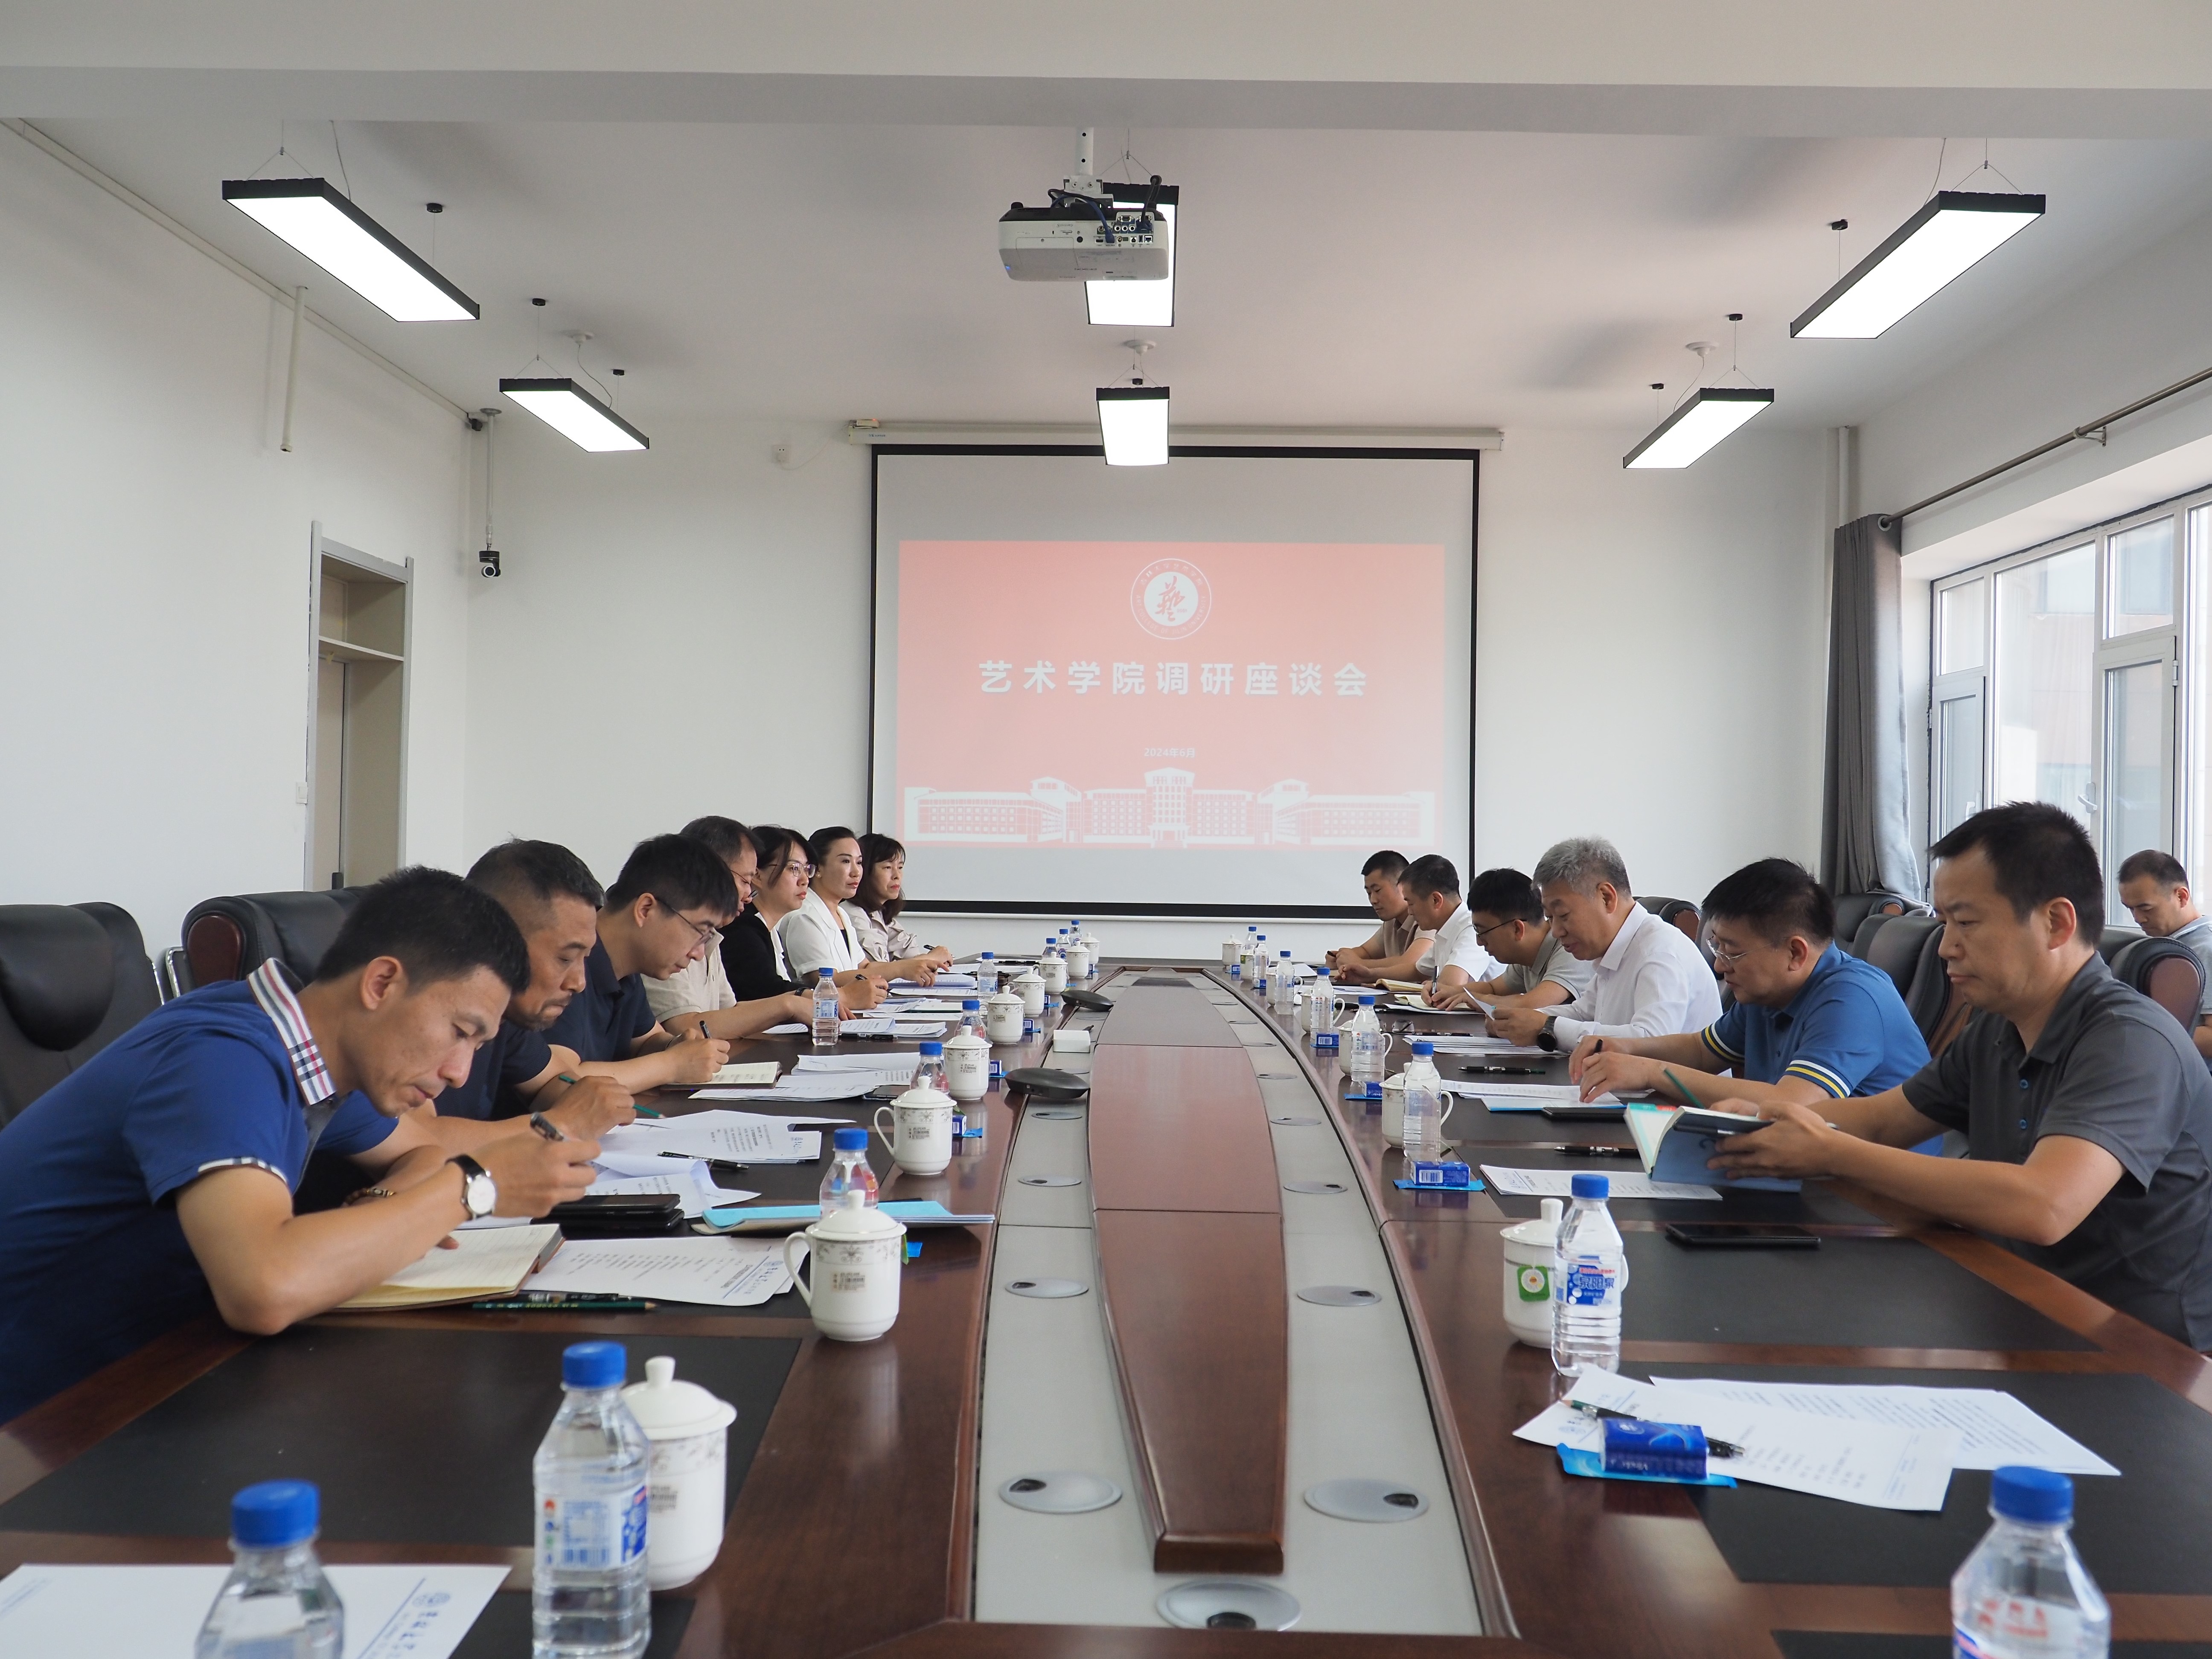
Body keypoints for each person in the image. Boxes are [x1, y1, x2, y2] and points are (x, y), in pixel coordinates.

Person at [0, 867, 601, 1421]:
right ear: (382, 983)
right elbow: (263, 1287)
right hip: (41, 1426)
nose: (459, 1072)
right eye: (459, 1032)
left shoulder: (313, 1054)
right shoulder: (223, 1060)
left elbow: (419, 1150)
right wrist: (474, 1186)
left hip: (159, 1372)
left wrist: (385, 1212)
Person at [1712, 804, 2212, 1347]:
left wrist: (1830, 1153)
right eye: (1943, 922)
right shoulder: (1997, 1028)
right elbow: (1882, 1121)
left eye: (1966, 923)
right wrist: (1764, 1118)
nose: (1947, 946)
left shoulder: (2130, 1040)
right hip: (2014, 1301)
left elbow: (2044, 1204)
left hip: (2139, 1349)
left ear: (2056, 923)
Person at [1569, 858, 1929, 1110]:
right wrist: (1626, 1048)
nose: (1720, 966)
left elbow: (1793, 1103)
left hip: (1869, 1191)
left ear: (1795, 953)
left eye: (1732, 952)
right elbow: (1702, 1051)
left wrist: (1653, 1072)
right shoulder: (1767, 994)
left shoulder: (1852, 1000)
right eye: (1717, 947)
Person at [431, 838, 635, 1127]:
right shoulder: (424, 1007)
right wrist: (557, 1126)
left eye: (585, 959)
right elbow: (417, 1139)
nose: (579, 983)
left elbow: (551, 1081)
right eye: (566, 958)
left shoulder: (508, 1017)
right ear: (501, 938)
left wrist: (591, 1101)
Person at [1489, 837, 1721, 1053]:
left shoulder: (1659, 952)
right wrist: (1518, 1021)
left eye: (1563, 915)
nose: (1556, 931)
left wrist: (1547, 1027)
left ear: (1606, 897)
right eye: (1550, 918)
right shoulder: (1617, 948)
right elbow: (1583, 1013)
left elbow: (1650, 1041)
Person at [545, 834, 736, 1089]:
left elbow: (646, 1041)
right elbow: (561, 1081)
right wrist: (672, 1065)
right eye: (700, 932)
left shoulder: (628, 971)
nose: (699, 954)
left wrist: (678, 1046)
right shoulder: (571, 966)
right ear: (646, 909)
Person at [641, 816, 850, 1039]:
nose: (749, 894)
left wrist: (792, 1002)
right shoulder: (664, 930)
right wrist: (788, 1005)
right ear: (711, 871)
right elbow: (686, 1029)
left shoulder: (713, 936)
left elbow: (729, 1012)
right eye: (745, 881)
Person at [722, 824, 884, 1008]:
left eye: (807, 869)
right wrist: (843, 996)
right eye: (794, 869)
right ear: (757, 876)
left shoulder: (767, 928)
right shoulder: (742, 929)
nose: (805, 880)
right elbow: (767, 992)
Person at [1434, 866, 1595, 1011]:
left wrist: (1479, 1000)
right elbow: (1493, 988)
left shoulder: (1569, 949)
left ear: (1517, 929)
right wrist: (1448, 991)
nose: (1479, 942)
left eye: (1482, 932)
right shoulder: (1527, 957)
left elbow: (1531, 1006)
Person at [2116, 848, 2212, 1063]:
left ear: (2181, 897)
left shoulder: (2205, 950)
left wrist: (2150, 1029)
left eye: (2146, 908)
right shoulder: (2160, 947)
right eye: (2130, 909)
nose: (2138, 919)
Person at [781, 826, 903, 984]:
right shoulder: (803, 916)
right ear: (818, 868)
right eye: (846, 861)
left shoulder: (841, 914)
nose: (856, 872)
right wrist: (900, 970)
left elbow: (865, 967)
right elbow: (826, 981)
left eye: (859, 862)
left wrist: (910, 968)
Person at [853, 832, 953, 980]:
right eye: (888, 868)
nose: (897, 876)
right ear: (864, 872)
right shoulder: (853, 916)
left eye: (900, 867)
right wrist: (931, 958)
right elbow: (876, 972)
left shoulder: (879, 913)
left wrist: (932, 960)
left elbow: (910, 953)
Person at [1394, 856, 1497, 996]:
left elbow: (1450, 987)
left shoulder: (1472, 928)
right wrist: (1370, 974)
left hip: (1489, 1010)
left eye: (1411, 904)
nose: (1409, 912)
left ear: (1436, 900)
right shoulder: (1446, 928)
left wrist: (1434, 985)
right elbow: (1418, 971)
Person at [1327, 851, 1434, 986]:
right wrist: (1340, 958)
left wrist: (1359, 963)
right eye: (1369, 893)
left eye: (1377, 891)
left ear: (1403, 886)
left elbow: (1411, 964)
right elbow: (1366, 952)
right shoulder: (1392, 920)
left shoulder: (1426, 917)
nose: (1373, 900)